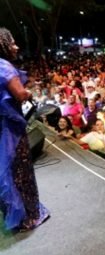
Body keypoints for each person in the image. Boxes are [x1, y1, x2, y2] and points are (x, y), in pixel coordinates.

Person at [0, 28, 50, 231]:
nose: (16, 46)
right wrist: (29, 93)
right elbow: (20, 94)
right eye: (12, 43)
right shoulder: (4, 66)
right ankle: (30, 215)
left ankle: (14, 214)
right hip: (10, 128)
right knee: (20, 171)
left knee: (6, 172)